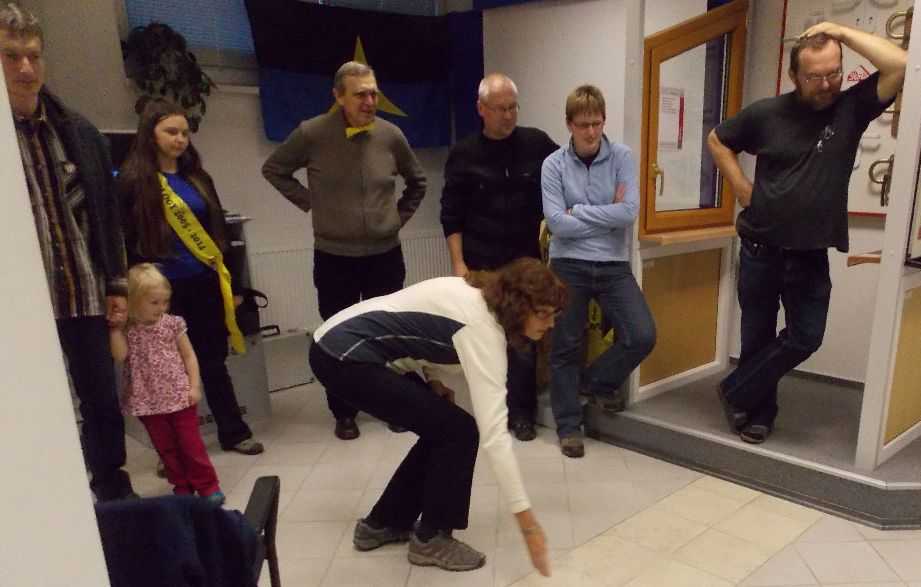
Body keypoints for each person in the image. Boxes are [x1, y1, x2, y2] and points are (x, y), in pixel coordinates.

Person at [709, 22, 907, 444]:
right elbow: (717, 140)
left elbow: (900, 64)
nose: (827, 84)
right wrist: (741, 186)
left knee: (806, 335)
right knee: (757, 336)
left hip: (810, 252)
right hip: (761, 247)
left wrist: (841, 32)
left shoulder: (851, 108)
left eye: (834, 72)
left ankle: (736, 390)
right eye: (815, 76)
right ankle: (758, 413)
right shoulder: (766, 114)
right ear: (794, 75)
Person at [308, 258, 564, 574]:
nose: (551, 323)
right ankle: (432, 538)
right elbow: (495, 437)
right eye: (543, 314)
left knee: (444, 428)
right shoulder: (481, 329)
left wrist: (433, 381)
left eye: (554, 314)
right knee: (460, 432)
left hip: (337, 344)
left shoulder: (478, 293)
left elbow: (417, 325)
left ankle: (384, 523)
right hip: (344, 356)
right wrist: (528, 524)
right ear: (517, 307)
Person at [1, 3, 135, 500]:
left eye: (34, 55)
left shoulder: (78, 132)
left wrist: (116, 284)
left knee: (101, 401)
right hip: (19, 307)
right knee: (34, 406)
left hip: (82, 293)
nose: (25, 68)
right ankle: (50, 498)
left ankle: (112, 489)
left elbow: (106, 216)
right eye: (10, 56)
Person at [263, 61, 427, 441]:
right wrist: (311, 203)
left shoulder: (391, 135)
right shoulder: (312, 133)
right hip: (334, 257)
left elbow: (417, 182)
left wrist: (396, 219)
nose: (369, 101)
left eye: (373, 93)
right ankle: (344, 411)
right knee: (338, 336)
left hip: (384, 255)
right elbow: (274, 170)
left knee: (389, 334)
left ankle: (393, 405)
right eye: (360, 94)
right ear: (338, 97)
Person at [117, 99, 264, 456]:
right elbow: (124, 237)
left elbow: (218, 232)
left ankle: (233, 432)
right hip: (160, 292)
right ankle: (176, 449)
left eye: (184, 132)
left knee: (213, 360)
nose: (180, 139)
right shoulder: (133, 182)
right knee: (166, 370)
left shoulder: (198, 178)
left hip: (204, 282)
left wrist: (235, 285)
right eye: (171, 131)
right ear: (150, 134)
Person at [441, 73, 558, 441]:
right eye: (500, 109)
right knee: (487, 340)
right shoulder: (463, 154)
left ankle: (522, 415)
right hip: (481, 264)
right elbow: (450, 215)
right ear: (481, 109)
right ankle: (493, 411)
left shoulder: (536, 143)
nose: (508, 116)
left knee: (523, 341)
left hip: (525, 264)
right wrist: (458, 264)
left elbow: (567, 167)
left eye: (513, 108)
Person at [542, 85, 656, 459]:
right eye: (583, 125)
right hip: (568, 264)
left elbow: (628, 213)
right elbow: (556, 224)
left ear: (604, 121)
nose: (591, 132)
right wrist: (605, 216)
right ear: (569, 125)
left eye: (596, 123)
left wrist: (578, 212)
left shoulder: (622, 157)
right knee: (565, 346)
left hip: (612, 264)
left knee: (641, 334)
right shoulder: (553, 165)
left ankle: (593, 382)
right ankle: (568, 426)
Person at [109, 264, 225, 506]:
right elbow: (120, 356)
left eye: (165, 302)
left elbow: (189, 356)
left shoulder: (173, 324)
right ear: (134, 301)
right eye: (154, 302)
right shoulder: (128, 330)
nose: (161, 308)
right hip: (148, 403)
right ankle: (181, 485)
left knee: (191, 445)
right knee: (166, 449)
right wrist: (115, 331)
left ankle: (207, 485)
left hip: (179, 397)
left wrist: (194, 386)